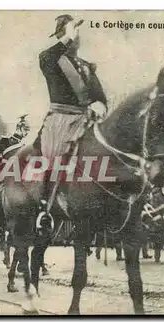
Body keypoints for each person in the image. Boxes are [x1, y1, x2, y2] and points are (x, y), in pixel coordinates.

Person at [33, 14, 108, 220]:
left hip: (86, 119)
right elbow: (48, 58)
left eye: (77, 33)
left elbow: (99, 96)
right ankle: (45, 205)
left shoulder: (86, 66)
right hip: (61, 120)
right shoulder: (51, 60)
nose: (77, 36)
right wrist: (66, 37)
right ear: (61, 36)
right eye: (71, 31)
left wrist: (100, 105)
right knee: (54, 155)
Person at [0, 115, 31, 219]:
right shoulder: (5, 141)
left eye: (28, 131)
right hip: (3, 171)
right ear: (19, 128)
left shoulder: (24, 145)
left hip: (18, 173)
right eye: (25, 130)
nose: (26, 133)